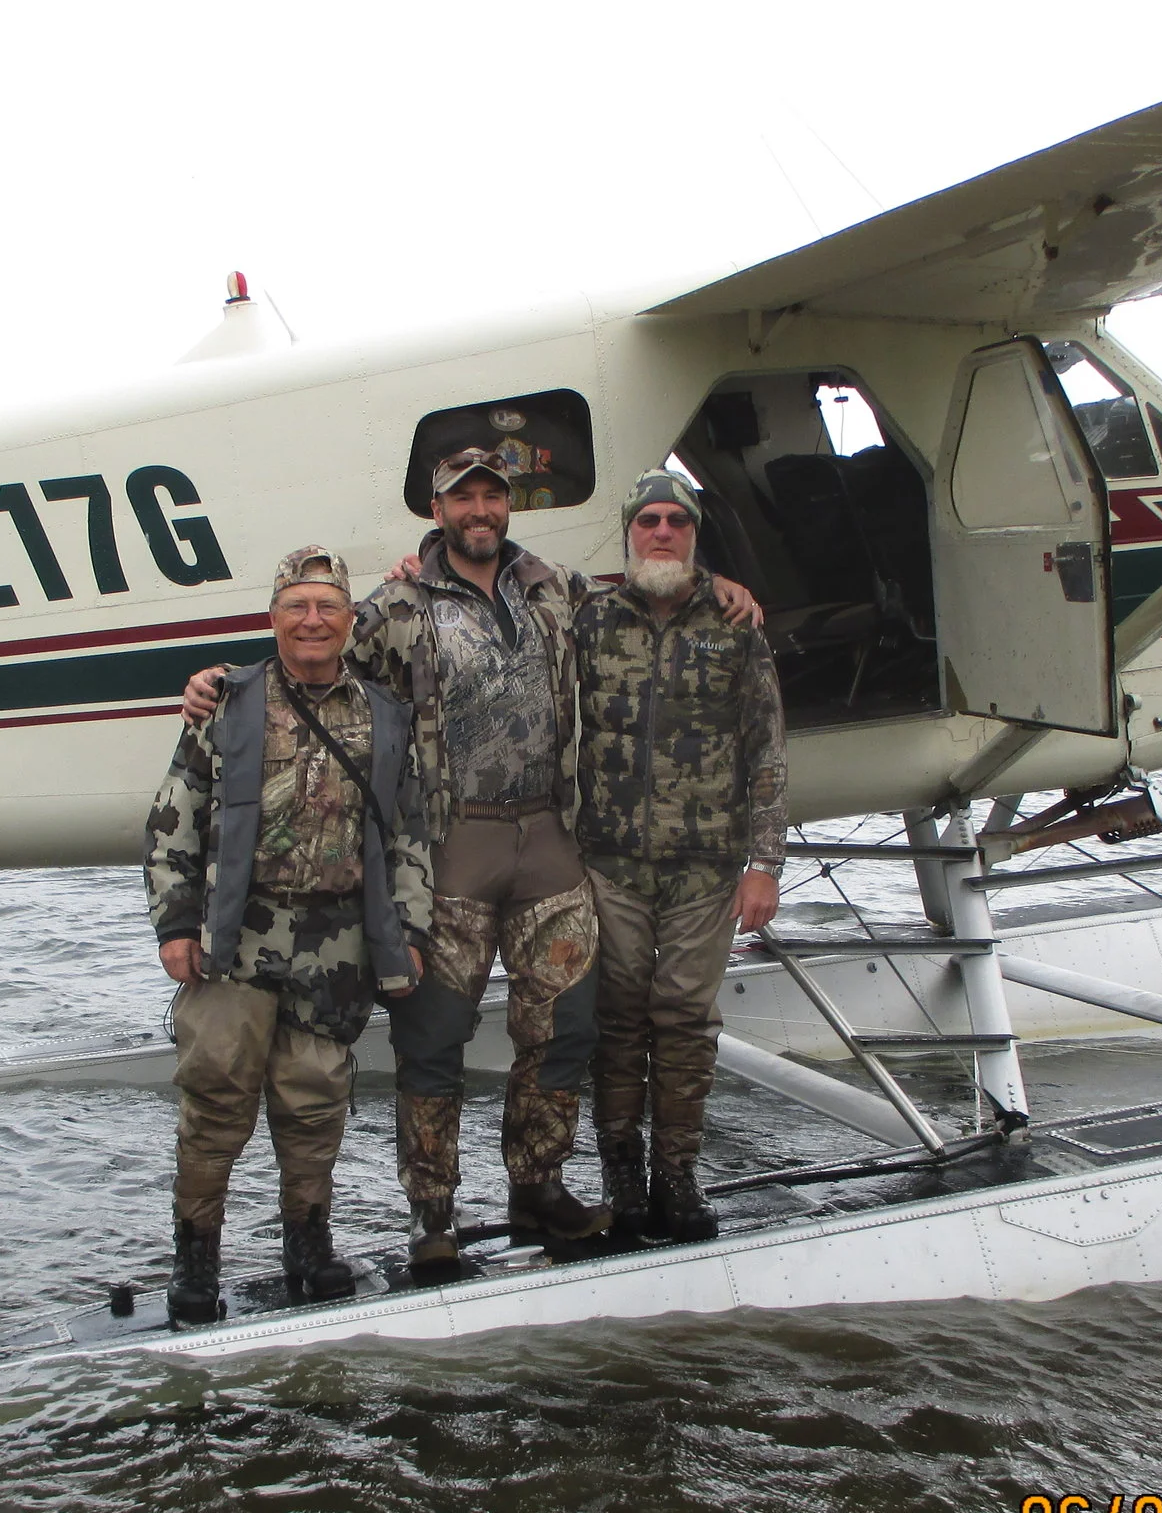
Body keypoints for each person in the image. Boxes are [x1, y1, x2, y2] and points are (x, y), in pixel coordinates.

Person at [181, 453, 758, 1280]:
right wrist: (218, 684)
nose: (480, 509)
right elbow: (311, 662)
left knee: (565, 1028)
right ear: (438, 507)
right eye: (464, 497)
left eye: (493, 495)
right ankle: (434, 1215)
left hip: (548, 840)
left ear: (508, 506)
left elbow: (649, 599)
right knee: (435, 1037)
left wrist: (722, 585)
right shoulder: (398, 602)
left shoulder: (558, 585)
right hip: (454, 845)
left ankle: (539, 1184)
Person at [144, 544, 431, 1322]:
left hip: (336, 941)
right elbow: (174, 818)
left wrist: (410, 930)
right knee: (215, 1100)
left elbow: (409, 833)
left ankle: (308, 1242)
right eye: (297, 605)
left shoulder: (383, 715)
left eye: (327, 606)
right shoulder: (223, 702)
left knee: (315, 1105)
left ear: (347, 620)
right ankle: (196, 1251)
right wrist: (175, 924)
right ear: (272, 617)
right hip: (233, 937)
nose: (312, 620)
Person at [576, 472, 786, 1244]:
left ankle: (678, 1172)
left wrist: (765, 860)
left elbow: (766, 748)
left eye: (676, 522)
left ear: (695, 534)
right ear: (629, 532)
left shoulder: (736, 625)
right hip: (610, 863)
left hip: (705, 867)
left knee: (688, 1022)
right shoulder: (589, 619)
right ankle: (621, 1172)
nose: (661, 532)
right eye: (648, 521)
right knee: (618, 1021)